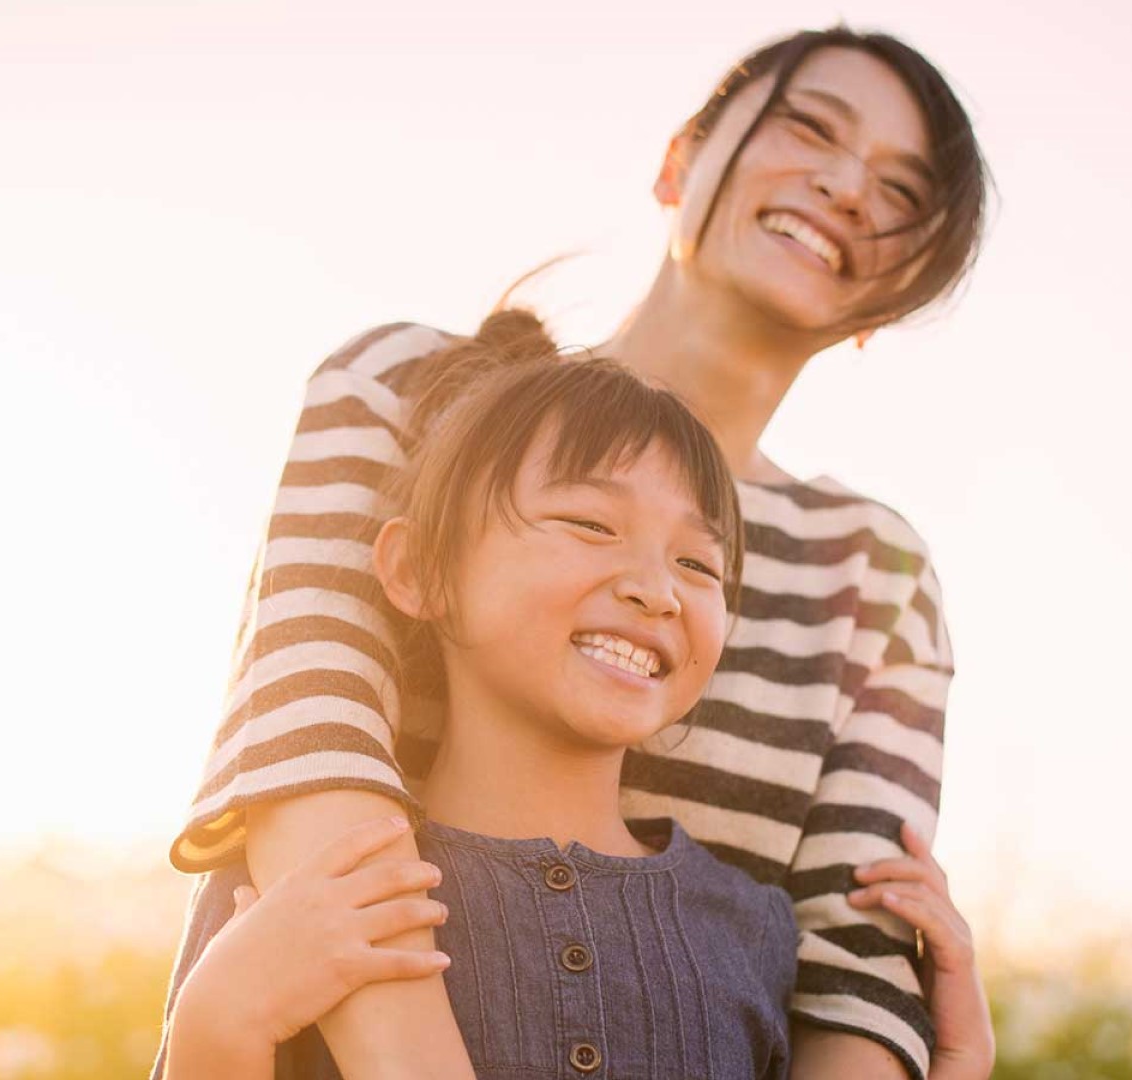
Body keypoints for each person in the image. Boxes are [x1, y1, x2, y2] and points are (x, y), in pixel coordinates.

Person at [168, 24, 992, 1080]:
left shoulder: (878, 575)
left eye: (901, 193)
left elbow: (854, 964)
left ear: (902, 288)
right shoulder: (401, 390)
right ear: (680, 158)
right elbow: (306, 744)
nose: (844, 185)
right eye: (809, 127)